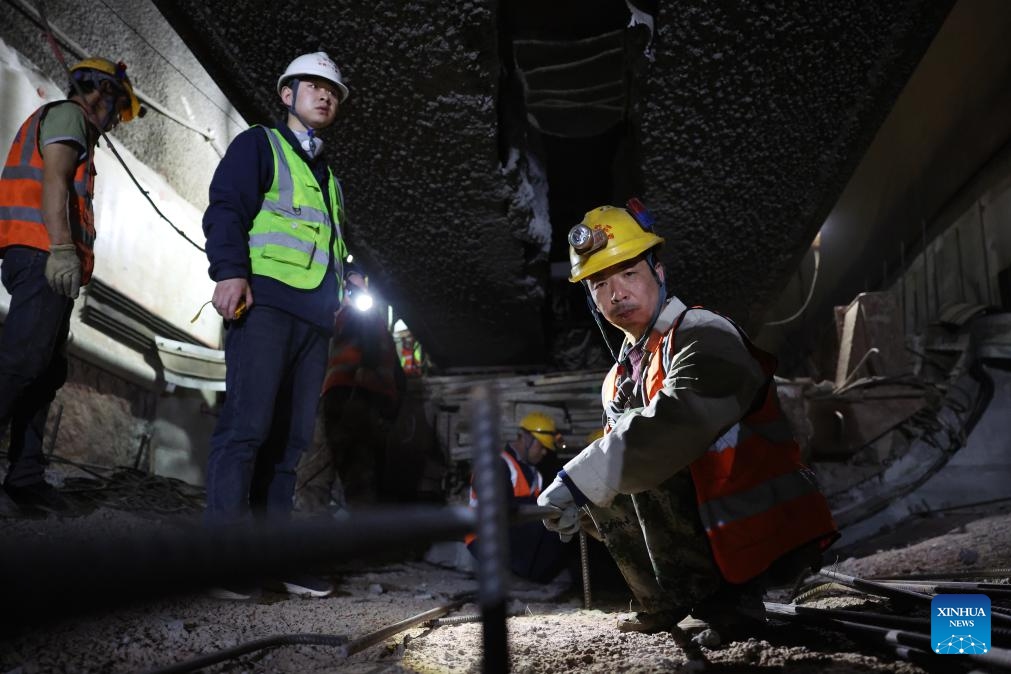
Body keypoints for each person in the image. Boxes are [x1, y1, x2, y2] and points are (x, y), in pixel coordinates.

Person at [538, 201, 838, 635]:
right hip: (713, 525)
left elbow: (677, 423)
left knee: (628, 457)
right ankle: (665, 602)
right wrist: (582, 503)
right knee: (606, 470)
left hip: (760, 520)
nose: (616, 293)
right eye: (600, 283)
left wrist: (577, 480)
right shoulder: (618, 377)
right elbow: (620, 478)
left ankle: (728, 606)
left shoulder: (704, 332)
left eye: (629, 273)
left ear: (658, 274)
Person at [201, 52, 350, 599]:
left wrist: (346, 282)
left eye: (333, 90)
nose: (326, 94)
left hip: (314, 319)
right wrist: (230, 273)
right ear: (287, 94)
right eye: (313, 85)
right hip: (262, 305)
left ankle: (272, 559)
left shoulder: (329, 178)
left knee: (289, 445)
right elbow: (226, 210)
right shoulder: (259, 145)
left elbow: (328, 244)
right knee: (246, 430)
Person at [0, 57, 142, 516]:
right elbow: (55, 179)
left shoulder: (75, 125)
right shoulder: (68, 116)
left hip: (48, 261)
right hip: (42, 254)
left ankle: (24, 478)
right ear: (101, 92)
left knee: (43, 372)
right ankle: (22, 477)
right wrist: (62, 248)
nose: (115, 118)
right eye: (118, 107)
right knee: (21, 364)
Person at [295, 262, 406, 512]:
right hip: (370, 401)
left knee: (322, 471)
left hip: (349, 394)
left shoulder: (355, 316)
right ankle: (361, 538)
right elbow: (400, 378)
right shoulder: (378, 326)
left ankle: (312, 534)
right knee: (362, 477)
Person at [467, 412, 573, 583]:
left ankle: (535, 578)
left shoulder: (534, 474)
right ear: (525, 438)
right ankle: (514, 578)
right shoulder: (496, 464)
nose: (544, 453)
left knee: (558, 525)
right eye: (542, 446)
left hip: (510, 534)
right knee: (538, 518)